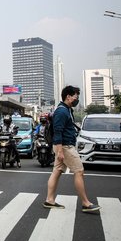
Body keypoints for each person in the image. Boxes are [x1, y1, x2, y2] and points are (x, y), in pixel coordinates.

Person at [43, 85, 100, 213]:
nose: (76, 99)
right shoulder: (61, 111)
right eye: (75, 97)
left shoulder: (67, 110)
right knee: (79, 171)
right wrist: (60, 151)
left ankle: (49, 200)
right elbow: (58, 132)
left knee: (57, 171)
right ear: (68, 97)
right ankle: (86, 203)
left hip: (65, 145)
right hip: (65, 146)